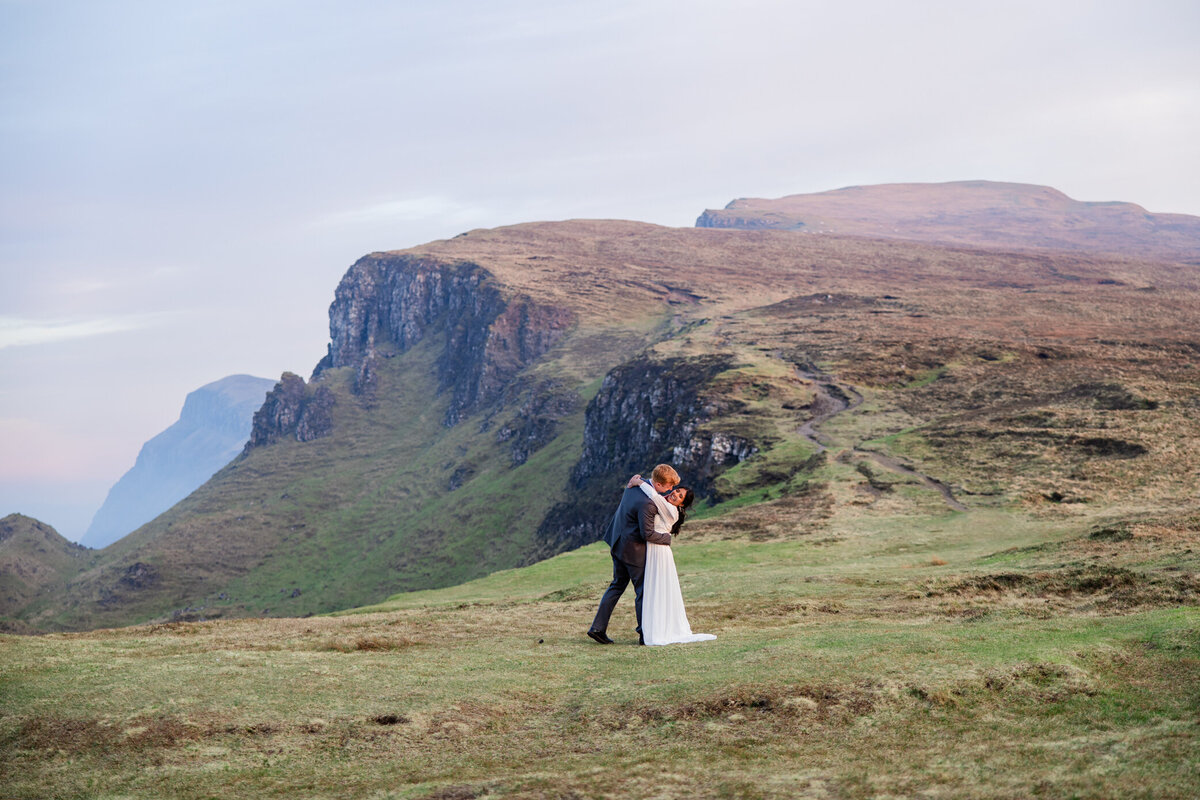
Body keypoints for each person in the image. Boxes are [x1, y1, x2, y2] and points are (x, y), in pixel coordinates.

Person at [587, 464, 679, 645]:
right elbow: (647, 534)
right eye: (669, 486)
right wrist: (666, 539)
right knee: (642, 592)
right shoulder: (649, 503)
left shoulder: (635, 485)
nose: (671, 490)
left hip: (617, 542)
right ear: (659, 485)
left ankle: (597, 628)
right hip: (633, 551)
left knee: (616, 585)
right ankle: (644, 634)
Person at [633, 479, 716, 646]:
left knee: (658, 589)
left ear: (681, 504)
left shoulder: (671, 510)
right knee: (654, 590)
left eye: (680, 496)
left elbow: (655, 497)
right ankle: (655, 628)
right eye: (677, 491)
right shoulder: (667, 506)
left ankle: (660, 630)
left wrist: (640, 483)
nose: (675, 494)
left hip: (659, 553)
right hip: (655, 550)